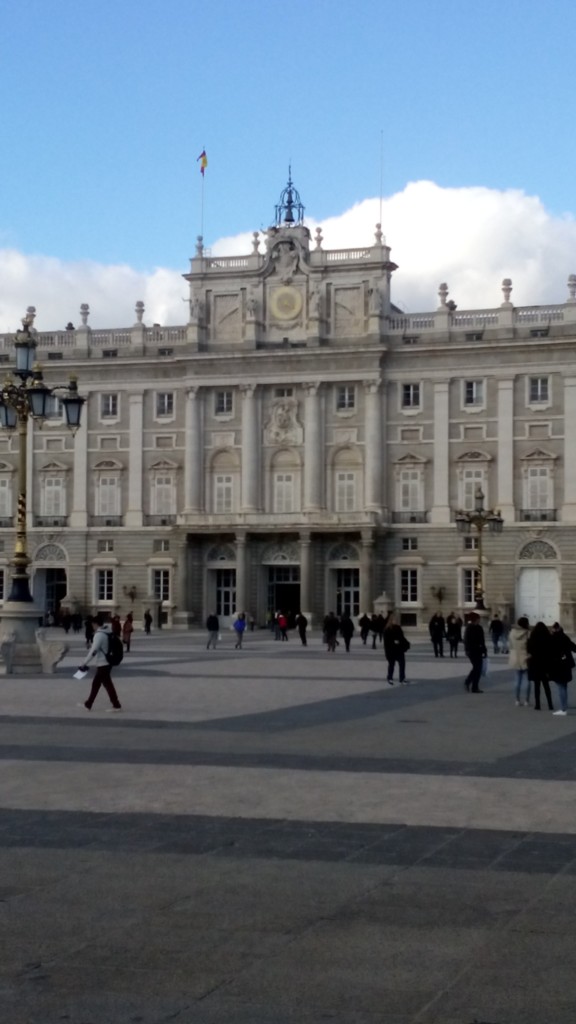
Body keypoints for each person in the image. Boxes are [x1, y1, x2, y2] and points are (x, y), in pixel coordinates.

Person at [77, 612, 122, 712]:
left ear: (96, 624)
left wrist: (84, 663)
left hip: (103, 663)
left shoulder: (99, 635)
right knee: (99, 684)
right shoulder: (107, 631)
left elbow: (94, 651)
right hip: (107, 662)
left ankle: (116, 705)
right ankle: (89, 704)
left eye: (93, 624)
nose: (92, 626)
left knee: (103, 684)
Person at [526, 621, 554, 711]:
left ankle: (537, 704)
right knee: (546, 686)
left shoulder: (531, 639)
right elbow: (551, 652)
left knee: (536, 686)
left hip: (535, 664)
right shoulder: (548, 638)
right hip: (545, 664)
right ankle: (550, 704)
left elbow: (528, 650)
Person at [549, 622, 576, 716]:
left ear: (554, 629)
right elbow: (574, 648)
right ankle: (564, 705)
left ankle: (563, 709)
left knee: (560, 686)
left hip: (557, 665)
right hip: (566, 664)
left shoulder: (553, 638)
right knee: (564, 685)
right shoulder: (565, 637)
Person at [508, 616, 531, 706]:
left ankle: (517, 700)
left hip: (515, 657)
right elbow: (530, 646)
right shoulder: (528, 633)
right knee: (527, 680)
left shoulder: (512, 633)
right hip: (525, 657)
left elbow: (510, 645)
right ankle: (526, 700)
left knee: (517, 680)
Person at [463, 612, 487, 693]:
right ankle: (470, 684)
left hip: (479, 651)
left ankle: (473, 685)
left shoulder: (479, 628)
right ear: (475, 619)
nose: (479, 620)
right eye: (478, 618)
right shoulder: (469, 628)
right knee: (477, 668)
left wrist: (484, 650)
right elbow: (466, 640)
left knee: (477, 668)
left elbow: (482, 640)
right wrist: (467, 650)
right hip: (472, 651)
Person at [383, 614, 410, 685]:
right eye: (395, 620)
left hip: (399, 650)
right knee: (391, 665)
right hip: (391, 650)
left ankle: (402, 678)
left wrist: (406, 644)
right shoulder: (387, 629)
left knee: (402, 664)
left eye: (397, 620)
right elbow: (386, 642)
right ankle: (390, 678)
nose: (396, 621)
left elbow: (402, 638)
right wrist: (393, 643)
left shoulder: (398, 628)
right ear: (391, 620)